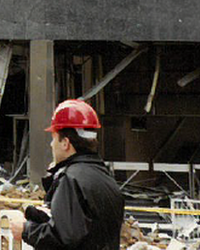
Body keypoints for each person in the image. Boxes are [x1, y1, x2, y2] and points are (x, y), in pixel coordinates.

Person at [10, 99, 125, 250]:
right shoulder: (105, 177)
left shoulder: (70, 179)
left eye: (53, 139)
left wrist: (26, 230)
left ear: (65, 143)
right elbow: (87, 230)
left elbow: (63, 239)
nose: (51, 145)